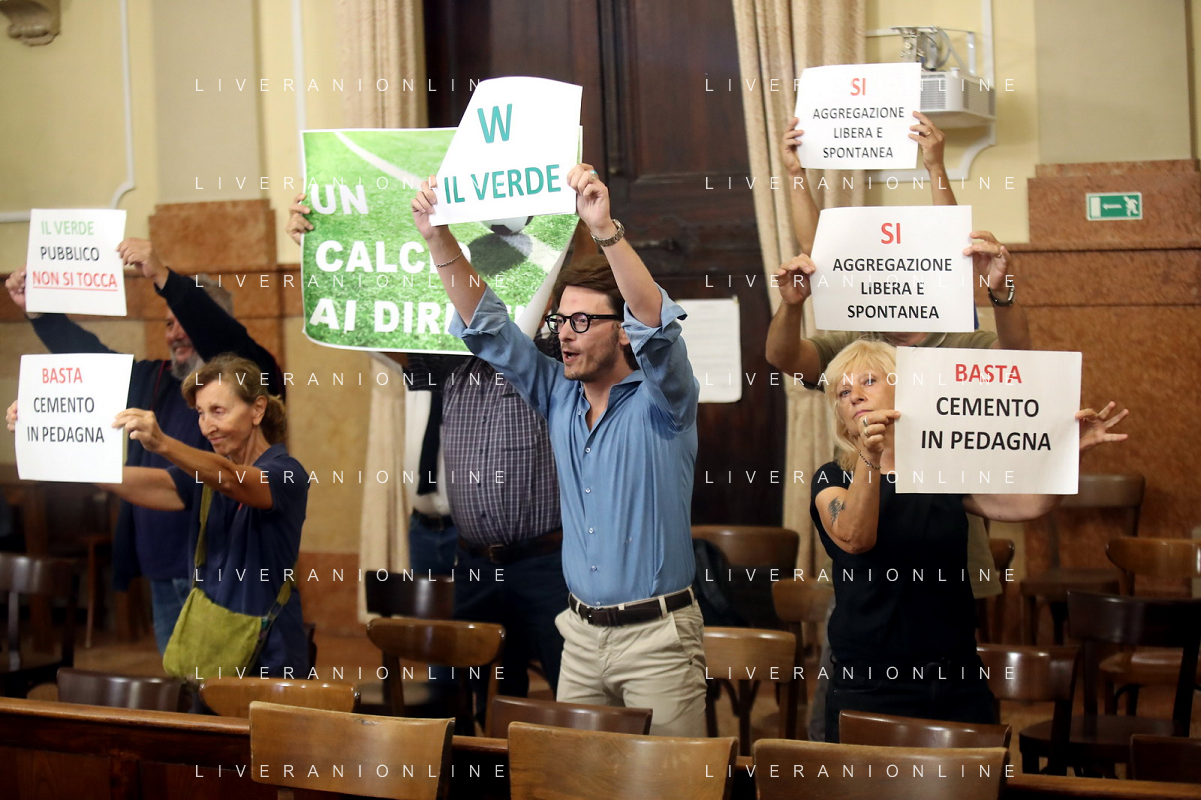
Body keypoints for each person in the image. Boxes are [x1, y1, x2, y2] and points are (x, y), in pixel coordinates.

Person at [410, 164, 707, 736]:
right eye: (560, 319)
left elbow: (656, 325)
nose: (564, 332)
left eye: (581, 320)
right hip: (580, 637)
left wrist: (605, 231)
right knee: (569, 776)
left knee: (669, 779)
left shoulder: (665, 401)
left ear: (621, 330)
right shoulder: (557, 394)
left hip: (658, 641)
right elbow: (488, 325)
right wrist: (437, 237)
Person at [769, 114, 1031, 740]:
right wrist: (796, 174)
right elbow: (795, 328)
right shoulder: (854, 343)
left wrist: (937, 167)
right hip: (870, 598)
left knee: (945, 689)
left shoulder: (956, 339)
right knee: (856, 704)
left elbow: (1020, 358)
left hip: (946, 556)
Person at [286, 195, 568, 706]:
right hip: (472, 563)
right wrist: (321, 253)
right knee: (460, 699)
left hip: (545, 563)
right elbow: (374, 326)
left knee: (568, 694)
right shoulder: (446, 358)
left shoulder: (551, 358)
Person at [811, 340, 1128, 742]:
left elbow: (1029, 504)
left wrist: (1069, 454)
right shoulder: (831, 478)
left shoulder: (941, 467)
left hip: (955, 676)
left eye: (869, 381)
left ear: (906, 391)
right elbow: (856, 538)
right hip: (871, 684)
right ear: (840, 416)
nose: (855, 395)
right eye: (843, 392)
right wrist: (869, 458)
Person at [5, 242, 284, 655]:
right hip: (160, 564)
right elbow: (91, 359)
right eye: (169, 323)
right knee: (179, 679)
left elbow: (223, 340)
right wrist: (40, 316)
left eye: (186, 322)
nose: (176, 333)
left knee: (225, 682)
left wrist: (163, 278)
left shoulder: (252, 380)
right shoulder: (153, 378)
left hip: (225, 566)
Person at [7, 354, 309, 676]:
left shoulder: (287, 472)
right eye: (200, 413)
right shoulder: (206, 474)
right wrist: (47, 439)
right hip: (214, 643)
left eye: (218, 411)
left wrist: (163, 443)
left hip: (271, 654)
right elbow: (142, 483)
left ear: (257, 409)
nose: (207, 426)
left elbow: (232, 480)